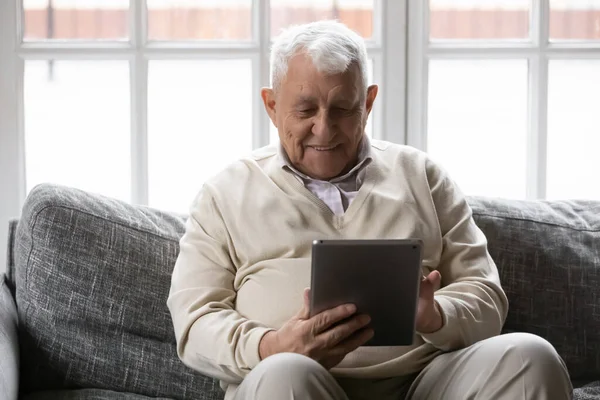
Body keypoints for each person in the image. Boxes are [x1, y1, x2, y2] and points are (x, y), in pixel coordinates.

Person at [167, 20, 573, 400]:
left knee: (530, 356)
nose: (324, 129)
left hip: (426, 381)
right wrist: (272, 345)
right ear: (272, 105)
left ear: (369, 101)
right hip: (294, 382)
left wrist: (436, 315)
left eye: (343, 108)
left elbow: (485, 294)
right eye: (305, 110)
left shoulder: (423, 176)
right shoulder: (224, 193)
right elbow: (195, 320)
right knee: (284, 372)